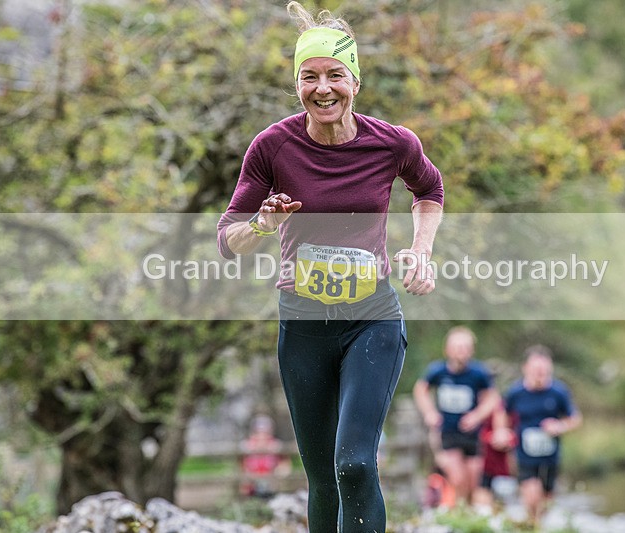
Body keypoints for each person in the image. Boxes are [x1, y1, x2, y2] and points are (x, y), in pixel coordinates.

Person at [216, 1, 443, 530]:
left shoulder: (393, 143)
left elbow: (428, 190)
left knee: (355, 464)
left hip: (372, 318)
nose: (322, 88)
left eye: (335, 75)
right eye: (308, 76)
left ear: (355, 81)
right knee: (321, 477)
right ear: (297, 83)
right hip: (303, 322)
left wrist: (422, 251)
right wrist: (262, 227)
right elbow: (228, 239)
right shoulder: (273, 147)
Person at [413, 326, 503, 506]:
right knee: (457, 477)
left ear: (471, 350)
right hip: (447, 433)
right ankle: (456, 511)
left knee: (472, 482)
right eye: (457, 347)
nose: (461, 352)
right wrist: (430, 412)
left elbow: (493, 399)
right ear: (447, 349)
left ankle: (466, 514)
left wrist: (476, 416)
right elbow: (420, 390)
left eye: (465, 347)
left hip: (471, 435)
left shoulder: (479, 373)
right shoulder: (437, 371)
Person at [504, 345, 581, 528]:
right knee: (531, 497)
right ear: (526, 368)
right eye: (536, 370)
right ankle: (532, 525)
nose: (541, 373)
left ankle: (536, 526)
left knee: (545, 501)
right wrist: (504, 433)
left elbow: (575, 419)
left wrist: (559, 426)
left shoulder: (559, 392)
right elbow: (503, 415)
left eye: (545, 370)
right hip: (524, 455)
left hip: (550, 456)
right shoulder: (515, 393)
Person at [238, 414, 291, 497]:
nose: (262, 435)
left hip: (272, 485)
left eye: (265, 432)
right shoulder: (246, 446)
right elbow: (241, 467)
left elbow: (285, 466)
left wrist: (278, 475)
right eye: (258, 432)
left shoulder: (276, 445)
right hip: (251, 486)